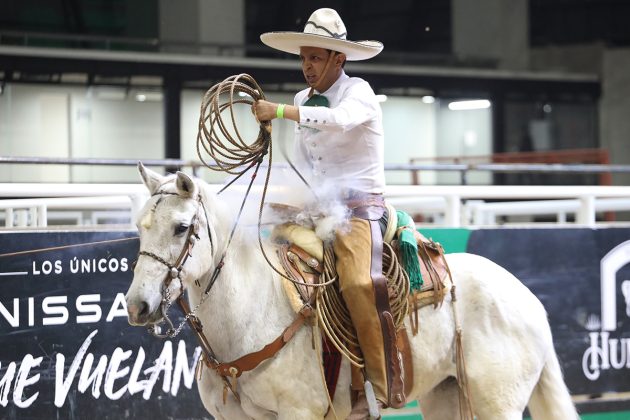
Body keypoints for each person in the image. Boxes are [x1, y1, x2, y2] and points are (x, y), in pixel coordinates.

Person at [254, 8, 405, 420]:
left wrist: (280, 113)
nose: (307, 66)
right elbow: (307, 161)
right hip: (321, 204)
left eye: (316, 57)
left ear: (339, 60)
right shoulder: (304, 99)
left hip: (360, 206)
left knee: (357, 282)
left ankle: (378, 385)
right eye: (304, 57)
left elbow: (339, 121)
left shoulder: (360, 92)